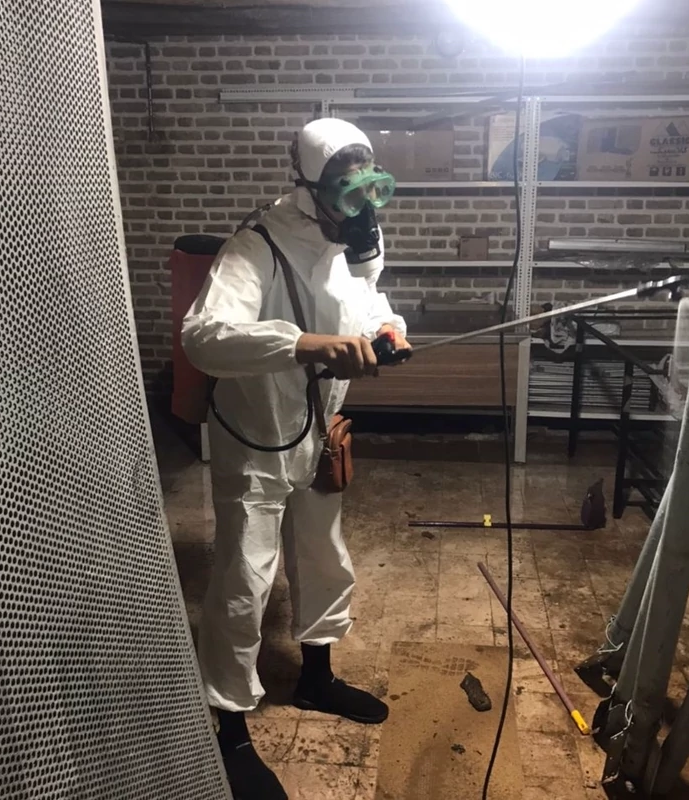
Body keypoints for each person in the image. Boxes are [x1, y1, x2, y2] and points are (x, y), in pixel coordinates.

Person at [181, 118, 409, 800]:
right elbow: (204, 337)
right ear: (309, 188)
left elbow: (365, 295)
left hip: (319, 426)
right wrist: (305, 345)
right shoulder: (257, 244)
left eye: (371, 189)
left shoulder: (350, 237)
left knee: (322, 553)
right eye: (347, 192)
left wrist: (385, 328)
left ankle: (316, 677)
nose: (362, 209)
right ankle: (228, 723)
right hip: (257, 435)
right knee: (245, 577)